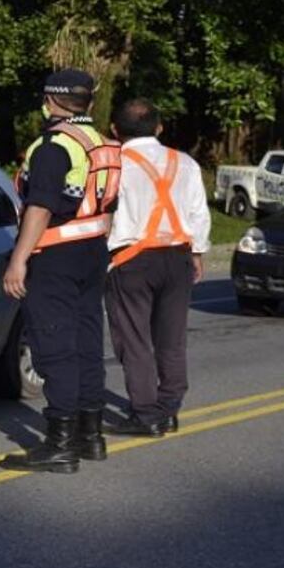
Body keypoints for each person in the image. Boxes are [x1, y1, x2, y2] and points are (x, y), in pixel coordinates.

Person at [0, 69, 121, 474]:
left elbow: (40, 207)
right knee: (86, 340)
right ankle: (90, 434)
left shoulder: (54, 146)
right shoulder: (100, 142)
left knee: (55, 345)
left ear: (50, 100)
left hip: (56, 254)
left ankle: (60, 444)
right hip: (92, 252)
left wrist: (19, 258)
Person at [104, 98, 211, 437]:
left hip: (130, 259)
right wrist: (197, 252)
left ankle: (146, 414)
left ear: (114, 130)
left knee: (134, 340)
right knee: (171, 338)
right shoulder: (185, 162)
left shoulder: (114, 164)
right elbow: (199, 213)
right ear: (160, 127)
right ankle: (169, 407)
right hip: (177, 255)